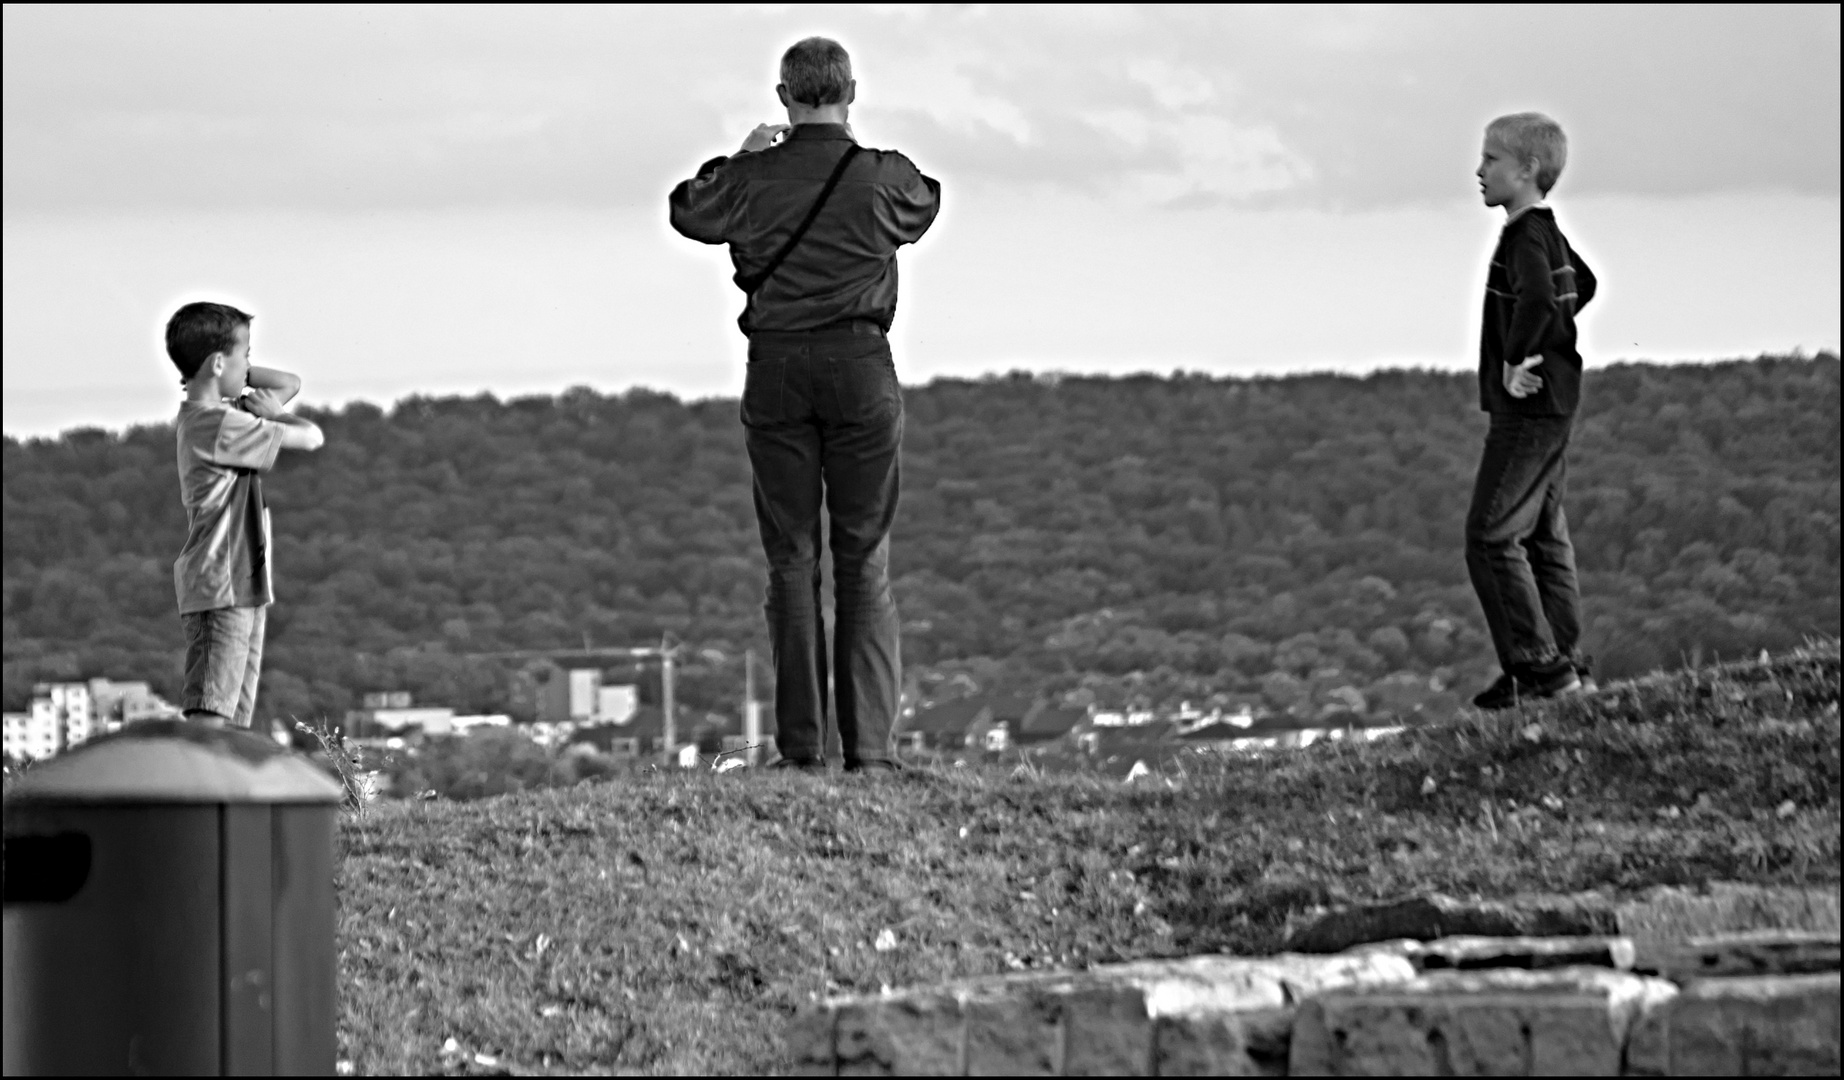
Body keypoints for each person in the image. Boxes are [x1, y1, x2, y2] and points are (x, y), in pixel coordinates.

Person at [668, 37, 940, 772]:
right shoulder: (883, 178)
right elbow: (927, 202)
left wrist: (745, 155)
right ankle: (873, 755)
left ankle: (802, 750)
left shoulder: (753, 177)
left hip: (778, 366)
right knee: (864, 560)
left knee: (791, 561)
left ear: (783, 95)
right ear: (852, 89)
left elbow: (689, 212)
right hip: (860, 366)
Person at [1465, 113, 1599, 710]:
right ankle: (1563, 667)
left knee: (1491, 537)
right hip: (1559, 400)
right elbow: (1584, 283)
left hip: (1529, 409)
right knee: (1543, 536)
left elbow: (1545, 295)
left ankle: (1538, 670)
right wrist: (1557, 338)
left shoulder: (1523, 236)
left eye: (1491, 159)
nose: (1479, 170)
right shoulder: (1548, 232)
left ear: (1527, 171)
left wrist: (1517, 358)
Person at [167, 302, 324, 728]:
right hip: (221, 583)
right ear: (218, 363)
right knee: (211, 713)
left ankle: (220, 794)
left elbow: (289, 381)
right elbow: (311, 437)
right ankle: (197, 792)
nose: (251, 365)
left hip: (242, 584)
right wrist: (278, 415)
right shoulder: (217, 424)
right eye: (247, 354)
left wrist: (225, 368)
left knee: (232, 718)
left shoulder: (218, 417)